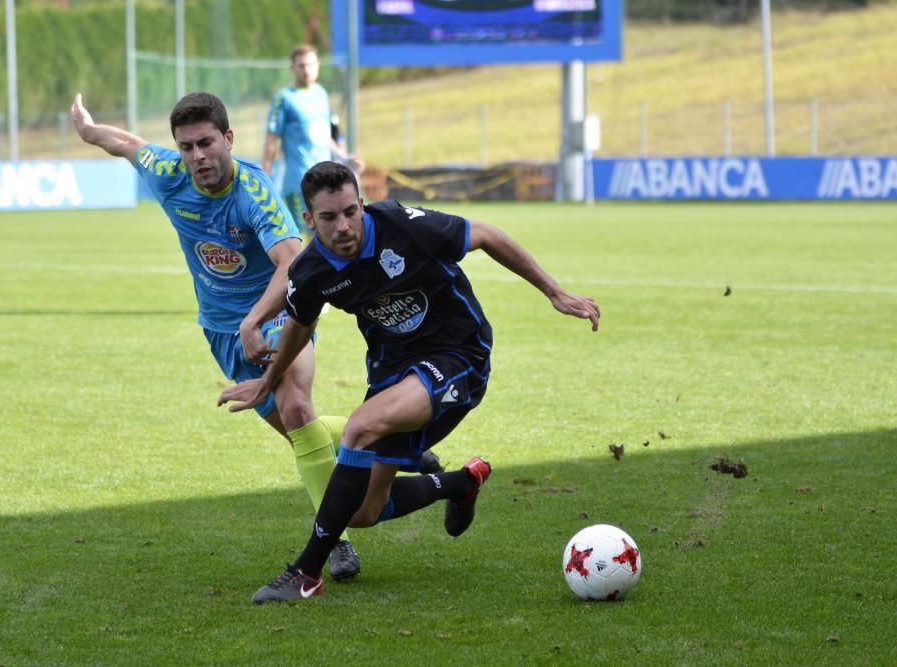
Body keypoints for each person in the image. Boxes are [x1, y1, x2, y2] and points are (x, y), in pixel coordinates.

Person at [218, 161, 601, 603]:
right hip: (392, 370)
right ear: (309, 220)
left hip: (458, 354)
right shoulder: (310, 273)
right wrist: (267, 383)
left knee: (360, 428)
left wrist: (554, 292)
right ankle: (460, 484)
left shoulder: (404, 226)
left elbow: (487, 235)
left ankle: (306, 572)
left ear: (361, 204)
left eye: (350, 212)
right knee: (363, 512)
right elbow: (299, 327)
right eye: (329, 217)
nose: (343, 226)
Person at [69, 92, 365, 580]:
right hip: (220, 331)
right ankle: (378, 429)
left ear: (228, 138)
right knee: (302, 432)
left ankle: (336, 543)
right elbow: (127, 143)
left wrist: (254, 321)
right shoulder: (168, 175)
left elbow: (292, 264)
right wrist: (87, 130)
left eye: (206, 143)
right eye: (186, 147)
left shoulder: (252, 190)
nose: (197, 156)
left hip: (279, 313)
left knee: (295, 407)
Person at [263, 44, 364, 241]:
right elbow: (271, 140)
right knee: (313, 237)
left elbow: (323, 136)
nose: (306, 70)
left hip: (326, 181)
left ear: (317, 65)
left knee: (330, 237)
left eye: (310, 64)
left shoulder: (321, 93)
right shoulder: (283, 98)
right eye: (301, 65)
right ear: (293, 68)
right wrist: (265, 177)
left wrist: (345, 158)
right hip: (299, 182)